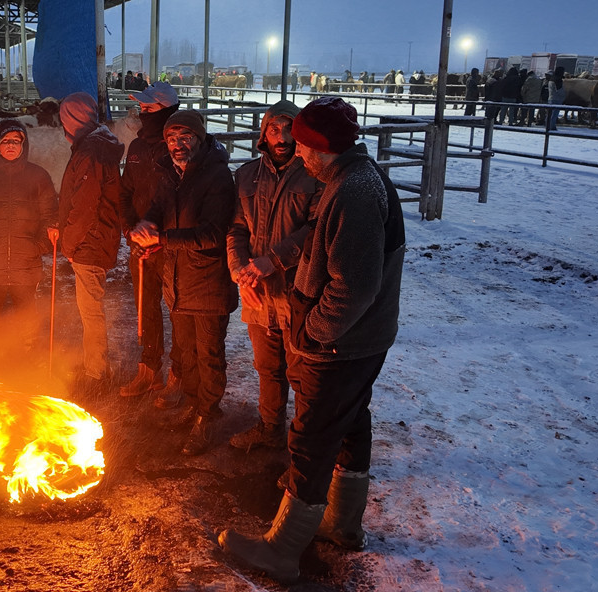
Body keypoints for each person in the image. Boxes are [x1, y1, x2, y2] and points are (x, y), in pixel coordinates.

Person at [219, 97, 405, 583]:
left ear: (322, 147)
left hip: (341, 343)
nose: (296, 152)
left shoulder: (354, 192)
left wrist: (312, 334)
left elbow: (354, 286)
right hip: (358, 340)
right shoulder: (353, 178)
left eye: (302, 144)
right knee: (350, 424)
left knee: (312, 436)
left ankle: (281, 549)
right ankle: (342, 524)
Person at [130, 111, 237, 456]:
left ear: (200, 138)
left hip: (207, 282)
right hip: (177, 280)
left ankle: (209, 416)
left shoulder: (216, 176)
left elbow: (213, 234)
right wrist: (147, 226)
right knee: (186, 353)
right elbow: (159, 208)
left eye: (185, 137)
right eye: (172, 138)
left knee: (209, 355)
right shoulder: (170, 173)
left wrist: (162, 239)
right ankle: (194, 405)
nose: (177, 145)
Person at [225, 100, 320, 453]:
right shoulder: (247, 175)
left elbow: (316, 230)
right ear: (263, 133)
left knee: (302, 373)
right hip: (259, 292)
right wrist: (240, 271)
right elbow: (236, 228)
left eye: (289, 130)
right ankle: (269, 428)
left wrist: (274, 261)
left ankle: (305, 446)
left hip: (298, 291)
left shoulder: (315, 174)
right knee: (267, 367)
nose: (282, 138)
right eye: (274, 130)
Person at [57, 91, 124, 393]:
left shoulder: (89, 152)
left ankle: (96, 372)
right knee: (91, 307)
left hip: (90, 240)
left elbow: (85, 205)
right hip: (98, 236)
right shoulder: (96, 145)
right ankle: (96, 365)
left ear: (71, 120)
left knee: (90, 309)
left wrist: (69, 244)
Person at [117, 82, 181, 402]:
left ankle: (179, 374)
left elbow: (183, 200)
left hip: (171, 246)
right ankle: (149, 368)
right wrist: (130, 230)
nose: (143, 113)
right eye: (142, 108)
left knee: (179, 311)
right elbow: (125, 191)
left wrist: (162, 236)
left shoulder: (179, 148)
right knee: (146, 309)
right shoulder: (137, 147)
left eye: (149, 108)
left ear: (168, 111)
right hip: (140, 245)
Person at [0, 120, 58, 353]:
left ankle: (28, 354)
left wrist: (39, 246)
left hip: (26, 262)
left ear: (24, 144)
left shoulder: (38, 176)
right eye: (5, 141)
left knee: (26, 313)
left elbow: (50, 215)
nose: (11, 145)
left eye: (16, 141)